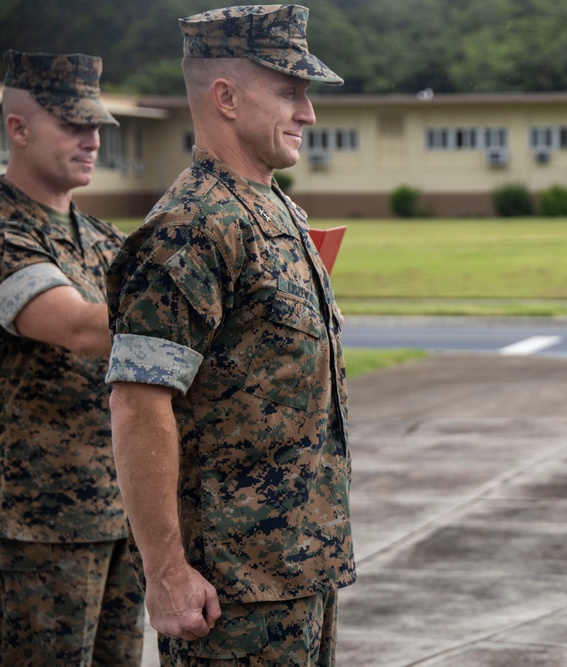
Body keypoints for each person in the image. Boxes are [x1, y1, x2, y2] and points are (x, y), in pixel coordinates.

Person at [104, 5, 355, 665]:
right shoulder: (192, 227)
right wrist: (164, 574)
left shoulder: (273, 211)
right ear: (226, 98)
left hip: (298, 569)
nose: (308, 113)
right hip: (230, 592)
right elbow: (137, 401)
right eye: (291, 92)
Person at [0, 50, 144, 665]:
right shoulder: (5, 229)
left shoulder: (105, 238)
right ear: (18, 127)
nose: (91, 141)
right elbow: (81, 329)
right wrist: (202, 309)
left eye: (96, 128)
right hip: (37, 525)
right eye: (73, 125)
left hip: (123, 511)